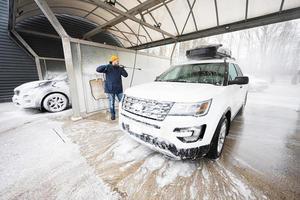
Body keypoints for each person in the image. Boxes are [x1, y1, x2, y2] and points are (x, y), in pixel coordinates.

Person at [96, 55, 128, 120]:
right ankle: (113, 115)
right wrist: (107, 65)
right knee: (111, 103)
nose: (118, 62)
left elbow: (126, 75)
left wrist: (123, 68)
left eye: (118, 61)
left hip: (119, 89)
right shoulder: (108, 67)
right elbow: (98, 69)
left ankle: (124, 113)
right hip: (110, 89)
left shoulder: (119, 68)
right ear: (113, 61)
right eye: (117, 61)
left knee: (122, 102)